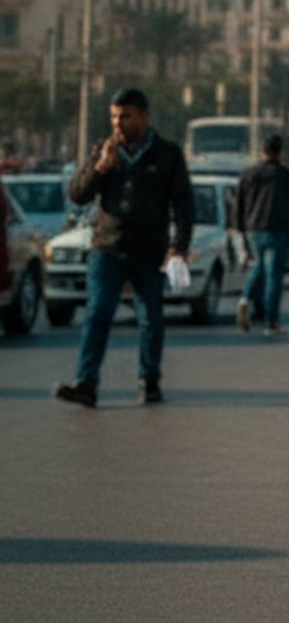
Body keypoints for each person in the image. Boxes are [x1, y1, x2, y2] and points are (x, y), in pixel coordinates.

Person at [55, 87, 193, 408]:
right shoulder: (103, 151)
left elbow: (184, 205)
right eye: (114, 116)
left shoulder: (167, 154)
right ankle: (86, 383)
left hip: (149, 251)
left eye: (125, 116)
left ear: (143, 117)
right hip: (107, 249)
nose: (118, 123)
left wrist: (178, 247)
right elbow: (77, 194)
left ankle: (150, 380)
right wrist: (99, 169)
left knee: (150, 319)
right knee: (98, 313)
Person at [233, 133, 289, 336]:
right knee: (273, 277)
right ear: (280, 153)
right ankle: (271, 322)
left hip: (254, 228)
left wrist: (239, 227)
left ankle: (245, 298)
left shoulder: (249, 173)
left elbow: (239, 202)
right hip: (277, 229)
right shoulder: (285, 175)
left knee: (260, 265)